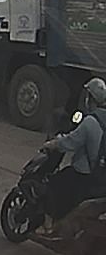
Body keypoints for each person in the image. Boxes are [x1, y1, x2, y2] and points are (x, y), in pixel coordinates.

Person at [38, 77, 106, 236]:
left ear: (91, 98)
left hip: (85, 174)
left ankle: (48, 225)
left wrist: (52, 144)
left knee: (52, 184)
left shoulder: (90, 122)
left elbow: (70, 142)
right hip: (102, 176)